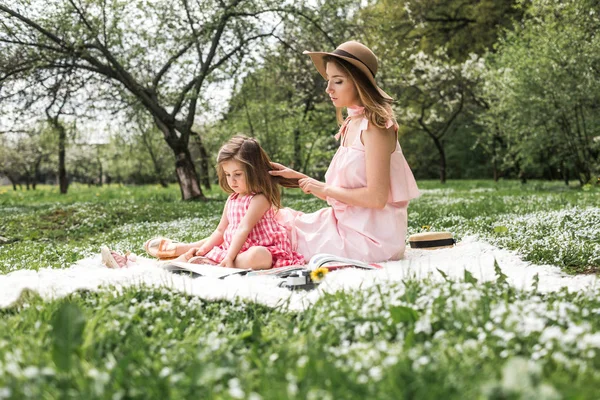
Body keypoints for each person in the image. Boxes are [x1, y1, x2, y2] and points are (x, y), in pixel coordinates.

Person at [268, 41, 420, 262]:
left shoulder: (376, 126)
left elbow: (376, 198)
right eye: (328, 80)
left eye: (337, 81)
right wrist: (299, 178)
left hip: (370, 238)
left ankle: (217, 253)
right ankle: (204, 246)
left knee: (283, 239)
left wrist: (324, 188)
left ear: (359, 83)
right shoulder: (352, 123)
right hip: (347, 222)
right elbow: (343, 193)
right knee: (279, 224)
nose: (328, 89)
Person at [102, 136, 304, 270]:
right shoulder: (232, 199)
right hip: (232, 248)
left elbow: (244, 228)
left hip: (254, 249)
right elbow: (220, 231)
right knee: (193, 255)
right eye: (227, 174)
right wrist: (204, 248)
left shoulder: (260, 198)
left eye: (238, 175)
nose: (231, 181)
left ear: (253, 172)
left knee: (260, 256)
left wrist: (230, 258)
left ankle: (214, 263)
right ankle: (136, 264)